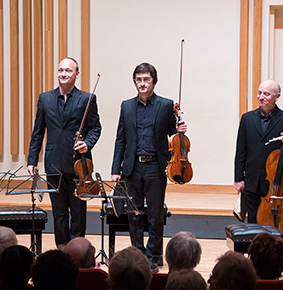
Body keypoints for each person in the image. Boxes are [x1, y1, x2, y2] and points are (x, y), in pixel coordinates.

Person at [111, 62, 187, 272]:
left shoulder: (165, 105)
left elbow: (173, 132)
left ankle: (153, 256)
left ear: (154, 81)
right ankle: (138, 254)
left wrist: (179, 128)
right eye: (139, 79)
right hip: (132, 168)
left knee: (155, 216)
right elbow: (120, 139)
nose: (142, 83)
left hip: (156, 167)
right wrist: (115, 169)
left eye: (146, 79)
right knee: (133, 215)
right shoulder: (126, 106)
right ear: (134, 82)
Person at [27, 57, 101, 249]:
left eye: (68, 71)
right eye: (60, 70)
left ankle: (77, 251)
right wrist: (31, 160)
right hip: (54, 164)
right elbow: (38, 132)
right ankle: (61, 250)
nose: (63, 74)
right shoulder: (45, 98)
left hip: (79, 165)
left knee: (78, 212)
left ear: (77, 74)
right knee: (59, 212)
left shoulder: (87, 99)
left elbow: (95, 128)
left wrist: (88, 143)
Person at [233, 79, 283, 223]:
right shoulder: (247, 118)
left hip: (276, 183)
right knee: (252, 223)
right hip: (252, 181)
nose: (261, 97)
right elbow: (240, 151)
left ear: (277, 97)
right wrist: (238, 178)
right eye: (259, 93)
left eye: (266, 94)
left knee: (274, 224)